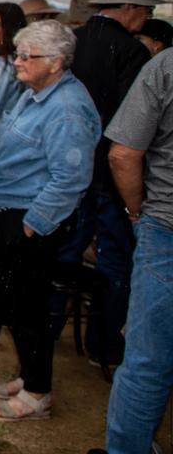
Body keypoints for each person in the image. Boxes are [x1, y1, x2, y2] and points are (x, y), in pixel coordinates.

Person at [0, 20, 100, 422]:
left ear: (56, 62)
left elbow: (72, 178)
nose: (16, 62)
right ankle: (29, 374)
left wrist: (33, 225)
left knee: (28, 307)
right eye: (18, 54)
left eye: (26, 56)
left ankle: (37, 393)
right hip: (10, 212)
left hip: (29, 220)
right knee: (14, 303)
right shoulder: (37, 95)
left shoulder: (68, 108)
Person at [68, 0, 160, 368]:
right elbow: (130, 126)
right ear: (129, 8)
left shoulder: (76, 40)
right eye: (145, 10)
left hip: (71, 166)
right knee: (115, 261)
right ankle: (104, 347)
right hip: (108, 171)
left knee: (67, 250)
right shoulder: (131, 51)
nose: (146, 17)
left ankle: (50, 329)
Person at [96, 50, 173, 453]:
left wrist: (137, 212)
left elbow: (123, 153)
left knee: (147, 361)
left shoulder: (165, 66)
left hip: (166, 228)